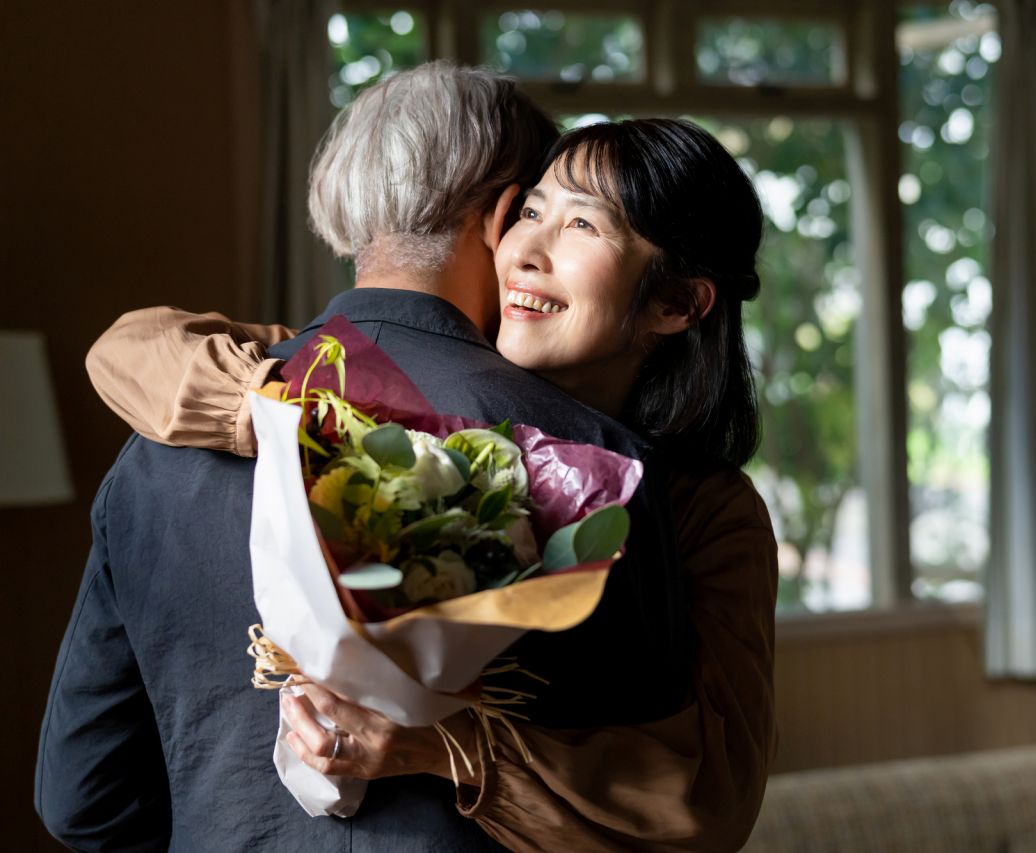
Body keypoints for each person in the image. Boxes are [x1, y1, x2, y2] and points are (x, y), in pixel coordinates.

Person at [70, 80, 778, 852]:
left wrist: (446, 748)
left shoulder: (664, 494)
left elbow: (84, 800)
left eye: (582, 224)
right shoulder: (283, 387)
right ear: (497, 215)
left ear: (678, 304)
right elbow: (141, 347)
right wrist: (288, 409)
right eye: (532, 211)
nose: (531, 250)